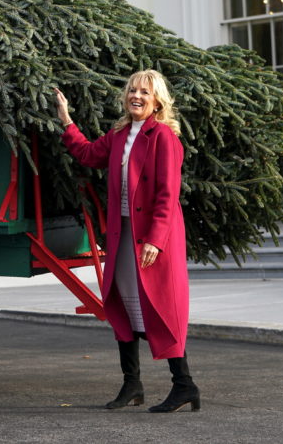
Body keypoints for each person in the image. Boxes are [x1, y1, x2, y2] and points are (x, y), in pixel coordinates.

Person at [54, 70, 199, 413]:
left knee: (161, 308)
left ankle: (185, 385)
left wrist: (155, 239)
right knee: (123, 305)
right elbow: (89, 154)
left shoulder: (164, 137)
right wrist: (66, 119)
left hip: (149, 237)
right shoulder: (120, 134)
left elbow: (167, 194)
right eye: (132, 90)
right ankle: (132, 384)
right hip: (122, 235)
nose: (136, 96)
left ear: (157, 100)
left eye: (144, 92)